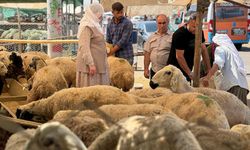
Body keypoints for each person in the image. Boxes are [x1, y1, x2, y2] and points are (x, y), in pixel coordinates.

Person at [202, 33, 249, 105]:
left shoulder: (220, 49)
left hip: (234, 87)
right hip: (243, 87)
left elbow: (217, 63)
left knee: (233, 114)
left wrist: (207, 77)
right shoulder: (232, 52)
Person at [167, 13, 211, 82]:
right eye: (194, 27)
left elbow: (204, 50)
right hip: (175, 70)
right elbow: (179, 56)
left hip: (188, 68)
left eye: (198, 27)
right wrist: (189, 73)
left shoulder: (199, 32)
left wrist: (208, 69)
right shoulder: (180, 34)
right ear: (189, 23)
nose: (196, 30)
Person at [76, 3, 110, 87]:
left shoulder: (95, 25)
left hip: (98, 64)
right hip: (90, 67)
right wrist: (91, 64)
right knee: (90, 92)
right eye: (100, 14)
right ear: (94, 13)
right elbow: (84, 47)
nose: (101, 17)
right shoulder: (87, 27)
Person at [144, 14, 172, 80]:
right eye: (159, 23)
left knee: (165, 90)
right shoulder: (151, 37)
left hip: (167, 72)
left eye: (164, 23)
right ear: (156, 23)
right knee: (154, 90)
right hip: (154, 71)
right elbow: (147, 54)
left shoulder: (172, 37)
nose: (162, 25)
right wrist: (146, 69)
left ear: (168, 22)